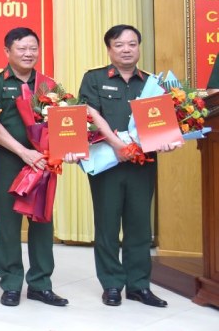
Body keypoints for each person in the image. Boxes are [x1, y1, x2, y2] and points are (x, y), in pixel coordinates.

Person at [80, 24, 181, 308]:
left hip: (143, 163)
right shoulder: (94, 78)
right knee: (107, 225)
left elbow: (162, 123)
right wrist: (117, 145)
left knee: (139, 226)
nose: (127, 49)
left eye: (132, 44)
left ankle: (139, 286)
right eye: (120, 44)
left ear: (139, 47)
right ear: (109, 49)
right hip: (107, 162)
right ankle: (112, 284)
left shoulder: (152, 84)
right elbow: (91, 114)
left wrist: (168, 140)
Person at [0, 27, 68, 307]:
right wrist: (22, 151)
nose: (29, 54)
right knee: (8, 222)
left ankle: (41, 284)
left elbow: (63, 122)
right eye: (22, 49)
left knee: (42, 220)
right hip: (9, 159)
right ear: (7, 52)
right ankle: (11, 283)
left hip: (43, 161)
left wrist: (55, 151)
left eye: (33, 48)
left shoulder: (49, 85)